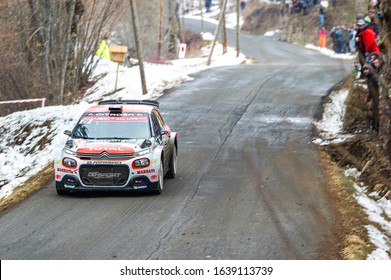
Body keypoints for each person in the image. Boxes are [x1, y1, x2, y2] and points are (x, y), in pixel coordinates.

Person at [362, 63, 380, 132]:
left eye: (366, 70)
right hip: (375, 99)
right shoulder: (369, 78)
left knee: (377, 115)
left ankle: (376, 128)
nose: (365, 71)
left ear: (370, 70)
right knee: (374, 113)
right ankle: (375, 128)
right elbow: (371, 91)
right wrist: (368, 98)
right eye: (364, 70)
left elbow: (377, 89)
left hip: (378, 99)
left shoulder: (373, 78)